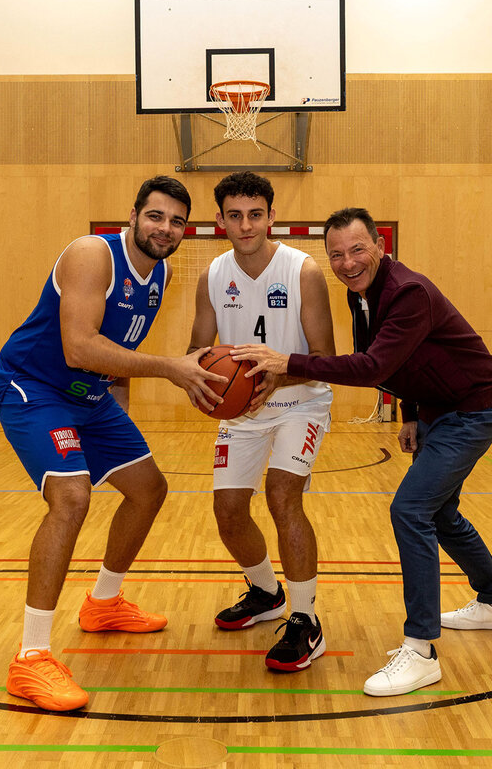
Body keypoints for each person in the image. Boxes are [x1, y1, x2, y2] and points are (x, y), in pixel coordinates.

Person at [232, 207, 492, 697]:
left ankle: (422, 650)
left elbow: (371, 366)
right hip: (435, 408)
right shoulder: (361, 294)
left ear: (380, 245)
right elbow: (403, 361)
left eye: (357, 249)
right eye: (337, 254)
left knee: (410, 509)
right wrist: (409, 413)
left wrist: (288, 361)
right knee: (440, 513)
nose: (347, 262)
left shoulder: (407, 293)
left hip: (472, 408)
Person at [0, 176, 225, 711]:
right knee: (72, 498)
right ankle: (31, 658)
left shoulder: (159, 272)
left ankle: (103, 603)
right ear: (134, 216)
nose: (166, 229)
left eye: (177, 222)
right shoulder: (92, 254)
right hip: (35, 388)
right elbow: (78, 346)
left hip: (89, 395)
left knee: (148, 489)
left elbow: (114, 353)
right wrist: (171, 369)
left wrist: (113, 430)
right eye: (156, 216)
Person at [188, 171, 336, 672]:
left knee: (280, 495)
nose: (246, 225)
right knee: (228, 512)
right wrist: (202, 381)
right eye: (235, 215)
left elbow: (324, 356)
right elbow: (197, 349)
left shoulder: (303, 271)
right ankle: (266, 592)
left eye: (255, 215)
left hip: (301, 401)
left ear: (272, 217)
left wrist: (279, 374)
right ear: (220, 221)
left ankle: (304, 619)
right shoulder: (212, 275)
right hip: (244, 410)